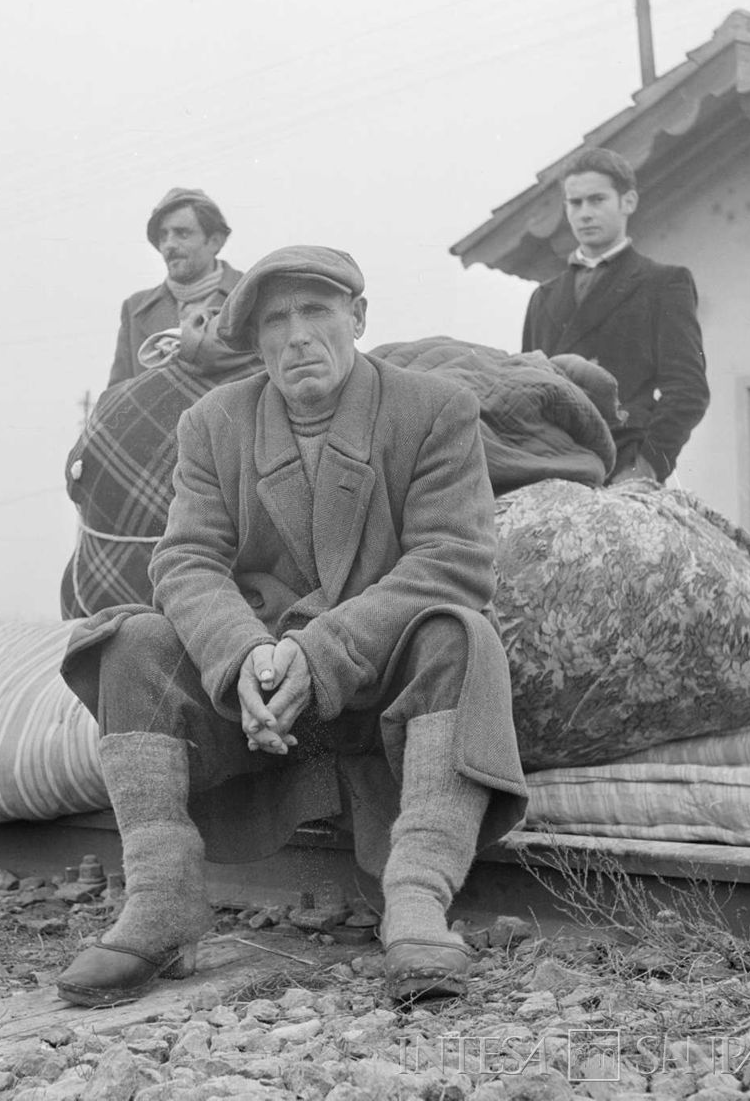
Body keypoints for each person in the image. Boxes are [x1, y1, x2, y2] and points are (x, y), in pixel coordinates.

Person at [59, 245, 527, 1007]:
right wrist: (241, 655)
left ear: (359, 318)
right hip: (257, 706)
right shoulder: (213, 422)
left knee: (464, 638)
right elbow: (184, 560)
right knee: (125, 642)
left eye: (316, 310)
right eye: (275, 320)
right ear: (255, 342)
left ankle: (416, 899)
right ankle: (162, 899)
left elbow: (452, 560)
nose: (298, 334)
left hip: (376, 692)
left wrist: (321, 652)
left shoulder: (434, 409)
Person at [521, 148, 709, 484]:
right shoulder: (543, 298)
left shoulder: (663, 283)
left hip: (624, 461)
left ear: (628, 202)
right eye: (575, 203)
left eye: (597, 200)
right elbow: (527, 391)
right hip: (555, 467)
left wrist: (645, 467)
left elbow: (688, 390)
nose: (585, 214)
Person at [107, 187, 243, 387]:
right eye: (163, 236)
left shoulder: (250, 295)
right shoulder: (135, 308)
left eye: (182, 234)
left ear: (215, 241)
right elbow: (118, 399)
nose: (169, 244)